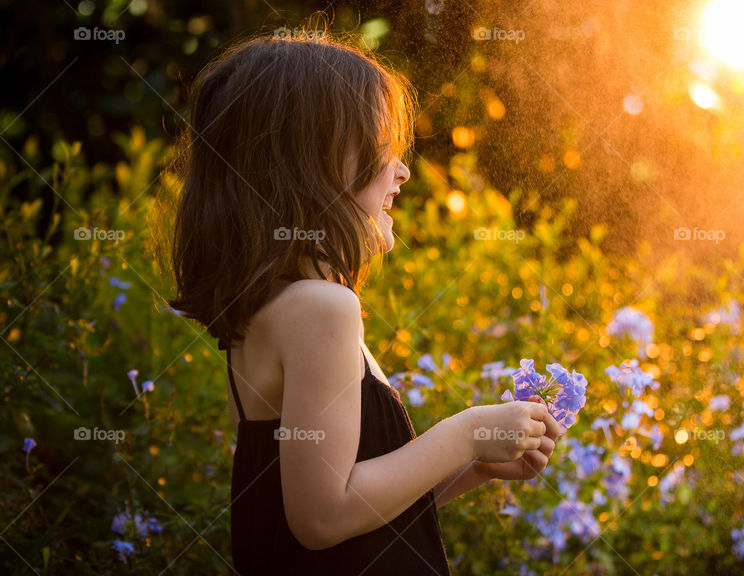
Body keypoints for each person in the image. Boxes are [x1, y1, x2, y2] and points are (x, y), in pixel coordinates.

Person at [167, 30, 563, 574]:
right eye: (380, 149)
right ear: (308, 163)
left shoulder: (273, 309)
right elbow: (322, 518)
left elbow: (340, 507)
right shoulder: (321, 308)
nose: (401, 171)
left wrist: (475, 465)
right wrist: (467, 430)